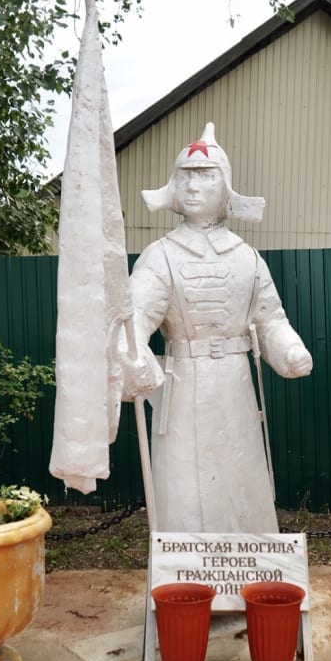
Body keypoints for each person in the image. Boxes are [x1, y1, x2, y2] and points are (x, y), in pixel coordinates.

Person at [123, 123, 312, 532]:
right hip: (183, 385)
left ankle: (248, 559)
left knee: (239, 480)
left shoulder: (248, 258)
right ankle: (185, 564)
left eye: (206, 176)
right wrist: (133, 355)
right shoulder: (160, 257)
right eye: (185, 176)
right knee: (185, 487)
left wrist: (290, 350)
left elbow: (271, 319)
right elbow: (135, 316)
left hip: (235, 385)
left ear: (225, 185)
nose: (193, 186)